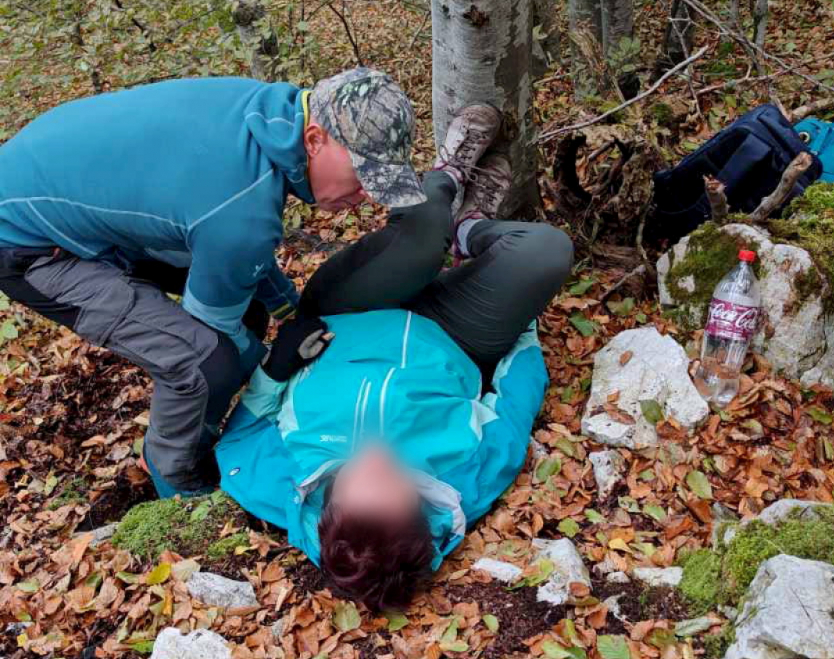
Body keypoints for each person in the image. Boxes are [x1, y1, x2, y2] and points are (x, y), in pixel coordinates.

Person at [0, 67, 425, 497]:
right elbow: (222, 286)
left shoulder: (266, 117)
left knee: (240, 317)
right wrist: (274, 365)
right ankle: (174, 480)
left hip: (75, 202)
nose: (366, 195)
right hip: (26, 242)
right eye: (363, 175)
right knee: (204, 361)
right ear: (315, 140)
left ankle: (198, 428)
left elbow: (237, 251)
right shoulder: (241, 207)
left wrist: (290, 311)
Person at [216, 107, 574, 608]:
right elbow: (516, 400)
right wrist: (519, 320)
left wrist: (277, 366)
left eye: (361, 478)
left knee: (424, 232)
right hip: (452, 332)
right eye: (393, 481)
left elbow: (237, 439)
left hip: (348, 313)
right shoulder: (465, 484)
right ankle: (470, 229)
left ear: (329, 507)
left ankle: (447, 179)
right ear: (418, 510)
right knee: (547, 251)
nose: (377, 457)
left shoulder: (275, 484)